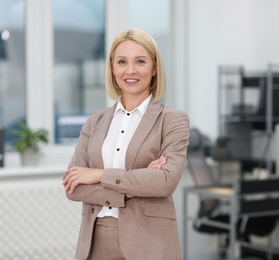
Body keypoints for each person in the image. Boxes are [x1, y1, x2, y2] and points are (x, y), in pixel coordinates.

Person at [62, 28, 190, 260]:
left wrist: (99, 174)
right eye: (122, 61)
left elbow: (163, 182)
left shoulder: (172, 120)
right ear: (112, 68)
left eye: (140, 61)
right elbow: (74, 186)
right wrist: (138, 181)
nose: (130, 70)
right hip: (94, 243)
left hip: (149, 241)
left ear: (154, 68)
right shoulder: (94, 123)